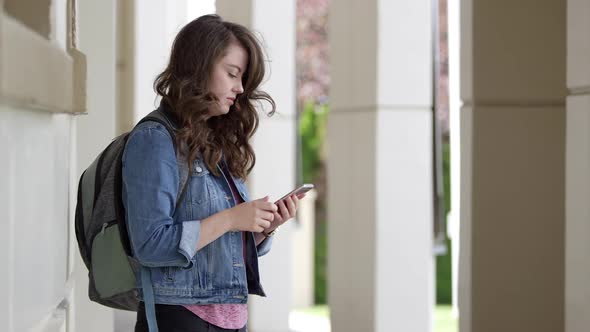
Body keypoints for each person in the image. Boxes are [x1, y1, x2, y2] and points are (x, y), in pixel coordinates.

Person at [122, 14, 302, 332]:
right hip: (180, 319)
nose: (240, 87)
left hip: (231, 318)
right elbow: (149, 244)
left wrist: (261, 228)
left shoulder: (213, 142)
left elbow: (213, 244)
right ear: (200, 66)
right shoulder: (155, 139)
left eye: (243, 77)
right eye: (232, 73)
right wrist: (233, 218)